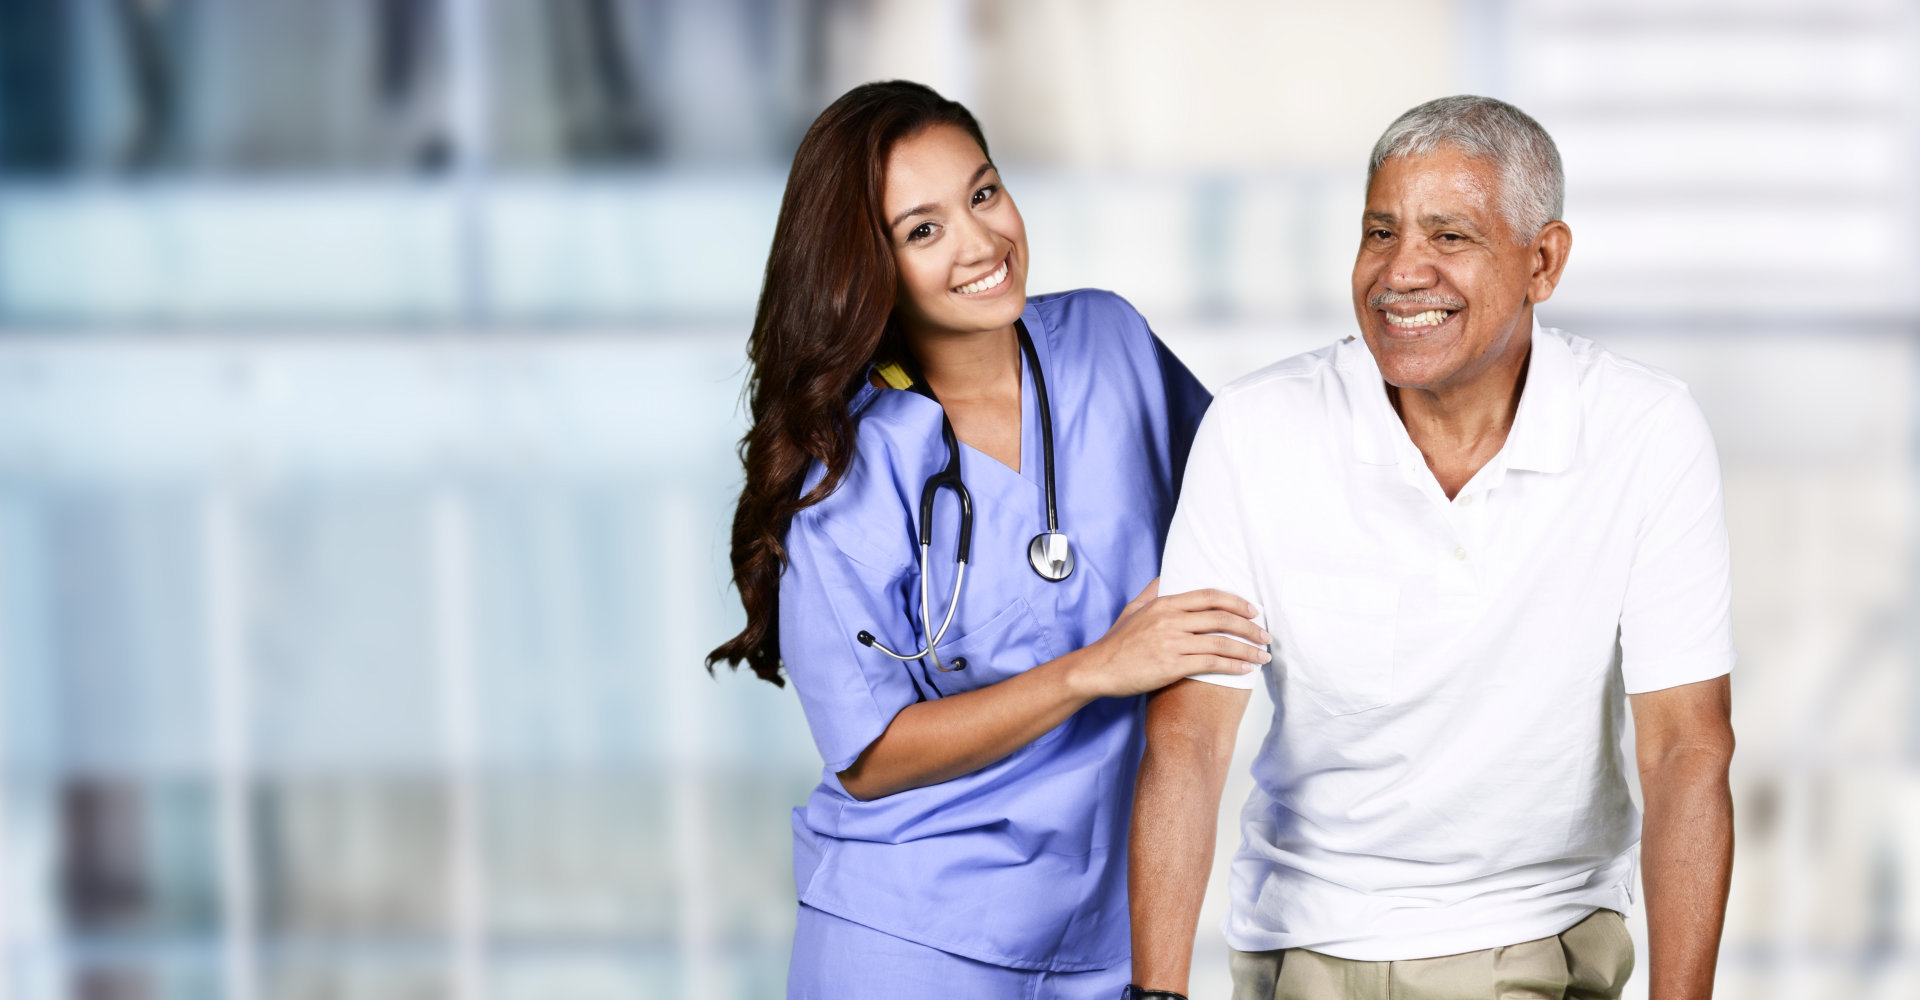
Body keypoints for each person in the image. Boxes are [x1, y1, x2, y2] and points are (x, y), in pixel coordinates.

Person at [1125, 96, 1736, 1000]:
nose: (1400, 271)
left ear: (1544, 261)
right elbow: (1189, 741)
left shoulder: (1645, 430)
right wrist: (1157, 995)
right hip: (1301, 947)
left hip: (1535, 939)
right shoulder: (1253, 431)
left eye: (1449, 236)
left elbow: (1687, 749)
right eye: (1380, 231)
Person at [707, 81, 1267, 999]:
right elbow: (872, 754)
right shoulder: (846, 466)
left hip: (1105, 932)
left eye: (983, 193)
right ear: (866, 264)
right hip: (909, 937)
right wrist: (1095, 668)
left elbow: (1254, 494)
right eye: (922, 230)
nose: (980, 243)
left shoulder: (1108, 341)